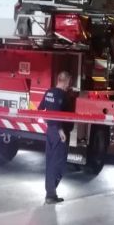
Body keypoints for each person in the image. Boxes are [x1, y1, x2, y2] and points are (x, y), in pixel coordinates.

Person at [38, 71, 74, 204]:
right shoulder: (62, 95)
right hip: (60, 133)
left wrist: (49, 123)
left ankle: (50, 193)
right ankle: (50, 195)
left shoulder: (49, 92)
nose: (69, 85)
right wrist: (60, 130)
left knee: (50, 162)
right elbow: (58, 113)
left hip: (50, 132)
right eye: (69, 82)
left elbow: (40, 108)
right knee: (59, 164)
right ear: (66, 81)